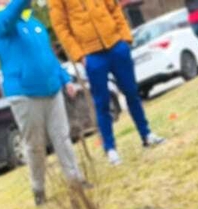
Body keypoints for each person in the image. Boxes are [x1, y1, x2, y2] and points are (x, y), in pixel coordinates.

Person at [0, 0, 88, 205]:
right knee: (35, 146)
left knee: (62, 138)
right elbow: (12, 12)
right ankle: (39, 189)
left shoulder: (34, 23)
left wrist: (64, 78)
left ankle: (75, 180)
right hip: (24, 94)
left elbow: (48, 56)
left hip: (51, 90)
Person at [48, 0, 164, 166]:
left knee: (132, 92)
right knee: (102, 103)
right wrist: (80, 56)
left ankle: (147, 134)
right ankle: (110, 149)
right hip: (92, 55)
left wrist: (125, 38)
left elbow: (114, 8)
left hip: (116, 45)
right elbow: (61, 27)